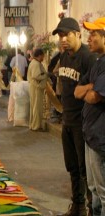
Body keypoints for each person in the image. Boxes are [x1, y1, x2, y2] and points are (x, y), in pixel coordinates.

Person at [52, 17, 97, 215]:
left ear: (78, 34)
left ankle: (90, 208)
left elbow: (96, 87)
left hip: (83, 121)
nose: (63, 39)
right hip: (67, 119)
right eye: (60, 36)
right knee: (71, 166)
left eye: (66, 34)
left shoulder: (88, 57)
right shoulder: (63, 57)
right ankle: (77, 206)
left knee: (84, 169)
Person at [74, 17, 105, 216]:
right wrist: (89, 88)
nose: (89, 37)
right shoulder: (97, 63)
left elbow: (94, 97)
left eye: (93, 33)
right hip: (90, 134)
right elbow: (77, 92)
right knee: (93, 189)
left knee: (102, 192)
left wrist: (90, 91)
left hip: (100, 137)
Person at [27, 48, 48, 131]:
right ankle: (36, 126)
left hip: (34, 87)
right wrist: (46, 76)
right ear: (39, 55)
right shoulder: (36, 64)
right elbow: (36, 76)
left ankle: (33, 125)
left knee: (34, 107)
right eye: (43, 56)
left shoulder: (34, 62)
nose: (43, 58)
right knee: (37, 107)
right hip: (36, 87)